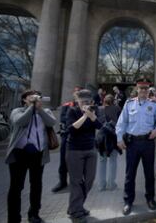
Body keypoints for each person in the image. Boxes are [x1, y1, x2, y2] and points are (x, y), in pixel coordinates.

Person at [6, 90, 57, 223]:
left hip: (38, 154)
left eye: (37, 97)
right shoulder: (17, 111)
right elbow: (20, 122)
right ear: (24, 100)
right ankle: (13, 217)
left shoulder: (45, 111)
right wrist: (31, 108)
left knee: (36, 185)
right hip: (19, 154)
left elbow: (51, 123)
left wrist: (39, 110)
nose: (35, 99)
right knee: (16, 187)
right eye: (31, 97)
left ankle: (34, 213)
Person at [116, 78, 156, 215]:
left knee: (149, 173)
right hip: (133, 144)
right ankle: (128, 201)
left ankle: (150, 199)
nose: (143, 91)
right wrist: (119, 139)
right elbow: (121, 123)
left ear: (148, 90)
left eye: (145, 88)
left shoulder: (153, 105)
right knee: (130, 174)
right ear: (137, 89)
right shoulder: (129, 104)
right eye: (141, 88)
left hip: (148, 142)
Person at [65, 89, 102, 221]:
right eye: (82, 102)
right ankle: (76, 210)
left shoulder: (94, 111)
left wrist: (92, 115)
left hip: (90, 149)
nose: (85, 104)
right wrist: (85, 116)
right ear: (77, 102)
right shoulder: (72, 111)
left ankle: (76, 206)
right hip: (74, 150)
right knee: (76, 182)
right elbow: (71, 129)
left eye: (88, 101)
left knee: (89, 180)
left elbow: (100, 126)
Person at [52, 86, 82, 193]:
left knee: (78, 161)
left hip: (80, 137)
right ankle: (62, 181)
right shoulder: (67, 106)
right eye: (76, 92)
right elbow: (63, 119)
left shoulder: (84, 106)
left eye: (79, 92)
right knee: (63, 160)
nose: (77, 94)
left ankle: (78, 182)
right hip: (68, 136)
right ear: (73, 94)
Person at [96, 94, 122, 191]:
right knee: (113, 161)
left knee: (102, 161)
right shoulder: (117, 109)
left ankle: (101, 185)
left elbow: (97, 123)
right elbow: (120, 123)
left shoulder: (99, 109)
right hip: (113, 137)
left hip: (101, 138)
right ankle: (111, 184)